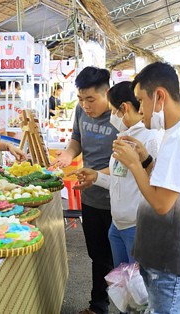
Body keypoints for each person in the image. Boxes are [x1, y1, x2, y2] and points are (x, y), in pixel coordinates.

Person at [112, 62, 180, 313]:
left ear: (159, 96)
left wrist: (134, 165)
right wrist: (145, 160)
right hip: (164, 257)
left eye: (141, 101)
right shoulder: (179, 131)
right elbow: (169, 186)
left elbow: (161, 203)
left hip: (170, 260)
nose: (141, 109)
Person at [71, 81, 162, 268]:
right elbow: (119, 178)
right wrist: (96, 177)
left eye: (113, 111)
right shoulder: (123, 135)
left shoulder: (150, 138)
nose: (112, 116)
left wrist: (140, 162)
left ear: (124, 108)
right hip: (118, 224)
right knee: (122, 285)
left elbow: (156, 184)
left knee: (140, 289)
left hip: (137, 225)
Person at [53, 67, 116, 314]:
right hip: (90, 198)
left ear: (106, 93)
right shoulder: (80, 109)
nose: (85, 105)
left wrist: (99, 176)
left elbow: (128, 163)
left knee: (122, 260)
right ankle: (98, 306)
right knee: (98, 255)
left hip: (118, 201)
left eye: (91, 99)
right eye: (81, 99)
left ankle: (130, 306)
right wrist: (68, 155)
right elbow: (76, 139)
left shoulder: (122, 114)